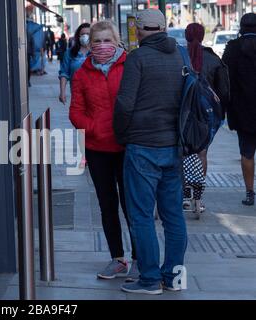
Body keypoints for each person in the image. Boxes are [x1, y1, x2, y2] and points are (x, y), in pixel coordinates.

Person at [114, 9, 188, 295]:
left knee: (142, 215)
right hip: (174, 146)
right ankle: (173, 277)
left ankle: (149, 279)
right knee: (173, 216)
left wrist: (123, 135)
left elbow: (124, 104)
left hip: (143, 146)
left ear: (142, 29)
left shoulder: (138, 58)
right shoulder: (180, 55)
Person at [69, 20, 138, 282]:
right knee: (107, 205)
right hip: (98, 149)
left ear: (116, 41)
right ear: (89, 43)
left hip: (126, 146)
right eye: (96, 41)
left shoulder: (130, 65)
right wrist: (93, 127)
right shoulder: (82, 73)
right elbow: (75, 111)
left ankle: (141, 259)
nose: (102, 45)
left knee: (132, 205)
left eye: (107, 40)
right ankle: (118, 258)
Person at [184, 22, 230, 211]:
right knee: (202, 153)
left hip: (183, 113)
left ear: (186, 36)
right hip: (208, 115)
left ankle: (184, 196)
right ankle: (198, 198)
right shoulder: (213, 59)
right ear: (203, 36)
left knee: (183, 153)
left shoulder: (178, 56)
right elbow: (225, 91)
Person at [223, 13, 256, 206]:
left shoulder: (232, 49)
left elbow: (225, 81)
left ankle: (250, 192)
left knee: (246, 153)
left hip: (243, 112)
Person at [59, 23, 90, 168]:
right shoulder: (70, 53)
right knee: (80, 126)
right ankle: (84, 155)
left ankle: (93, 151)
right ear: (78, 36)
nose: (85, 37)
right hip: (77, 95)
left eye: (88, 34)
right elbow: (64, 73)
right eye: (83, 34)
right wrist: (62, 92)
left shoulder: (96, 52)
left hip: (95, 95)